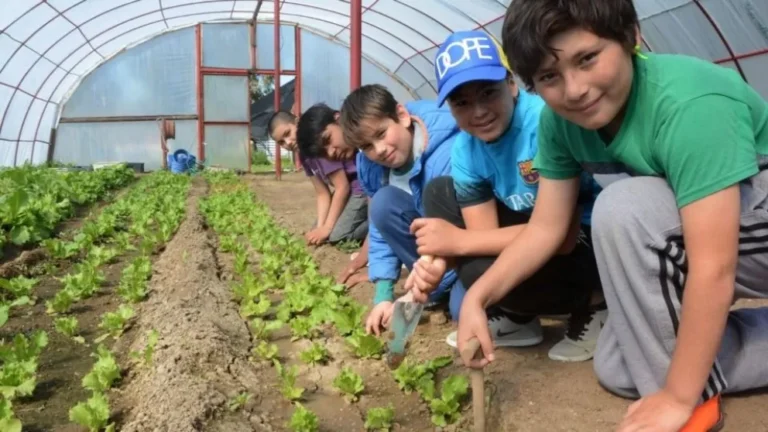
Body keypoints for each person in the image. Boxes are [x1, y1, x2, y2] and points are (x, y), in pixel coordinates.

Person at [451, 0, 768, 430]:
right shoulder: (561, 125)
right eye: (549, 76)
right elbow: (545, 229)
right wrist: (478, 297)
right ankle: (687, 369)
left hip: (751, 219)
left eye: (587, 59)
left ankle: (693, 398)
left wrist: (677, 395)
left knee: (622, 209)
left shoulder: (689, 103)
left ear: (631, 36)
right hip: (703, 234)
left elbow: (714, 265)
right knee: (619, 367)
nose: (575, 89)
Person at [407, 29, 606, 362]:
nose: (479, 111)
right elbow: (483, 238)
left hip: (586, 241)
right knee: (441, 196)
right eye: (462, 102)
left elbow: (562, 237)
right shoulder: (466, 148)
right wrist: (440, 259)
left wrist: (454, 244)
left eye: (488, 92)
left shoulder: (545, 122)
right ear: (450, 109)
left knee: (476, 266)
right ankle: (520, 319)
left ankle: (597, 304)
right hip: (535, 229)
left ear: (511, 84)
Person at [336, 84, 462, 334]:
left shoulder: (448, 150)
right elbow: (380, 229)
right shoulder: (370, 165)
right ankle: (434, 290)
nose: (379, 150)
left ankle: (441, 289)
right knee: (382, 204)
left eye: (381, 134)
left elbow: (458, 228)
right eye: (367, 146)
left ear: (402, 116)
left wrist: (417, 292)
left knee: (461, 310)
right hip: (430, 264)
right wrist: (383, 296)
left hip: (464, 254)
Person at [268, 109, 368, 245]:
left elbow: (342, 187)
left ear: (297, 122)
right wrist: (320, 227)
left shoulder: (318, 146)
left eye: (287, 133)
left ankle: (377, 223)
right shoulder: (304, 155)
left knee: (337, 236)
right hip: (348, 190)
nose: (288, 142)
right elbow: (322, 193)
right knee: (317, 230)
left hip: (360, 188)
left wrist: (326, 228)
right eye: (281, 142)